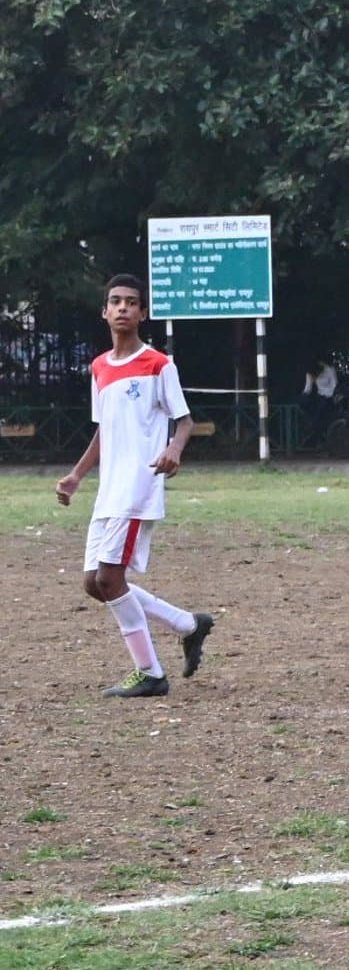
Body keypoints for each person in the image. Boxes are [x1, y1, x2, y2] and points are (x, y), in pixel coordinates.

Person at [54, 274, 214, 697]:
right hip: (109, 492)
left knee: (110, 579)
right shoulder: (99, 368)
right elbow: (104, 431)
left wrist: (175, 449)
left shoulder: (159, 364)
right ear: (104, 312)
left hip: (139, 488)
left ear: (143, 313)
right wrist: (76, 476)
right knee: (94, 584)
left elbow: (185, 420)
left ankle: (150, 673)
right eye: (115, 301)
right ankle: (187, 624)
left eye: (131, 302)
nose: (123, 308)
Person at [300, 357, 341, 445]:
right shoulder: (310, 373)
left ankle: (318, 430)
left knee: (322, 411)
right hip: (319, 396)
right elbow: (308, 388)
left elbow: (334, 385)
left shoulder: (329, 370)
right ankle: (312, 427)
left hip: (330, 397)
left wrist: (331, 395)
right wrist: (304, 396)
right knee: (306, 403)